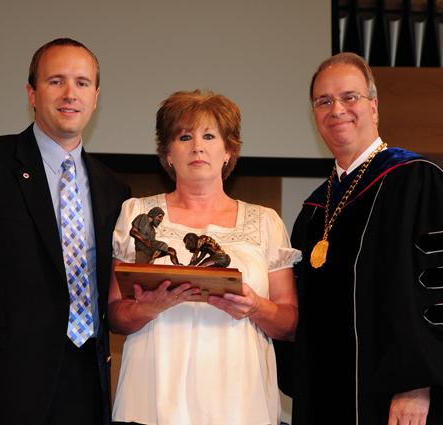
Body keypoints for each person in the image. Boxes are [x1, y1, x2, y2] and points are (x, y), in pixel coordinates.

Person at [284, 52, 443, 425]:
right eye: (323, 101)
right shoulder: (313, 212)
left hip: (407, 401)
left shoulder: (416, 180)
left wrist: (417, 381)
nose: (336, 109)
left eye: (349, 97)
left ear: (374, 107)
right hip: (328, 401)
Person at [0, 38, 130, 425]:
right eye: (56, 81)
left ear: (96, 97)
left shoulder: (114, 190)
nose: (70, 94)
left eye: (82, 83)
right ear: (32, 93)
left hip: (84, 387)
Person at [108, 89, 301, 425]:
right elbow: (115, 315)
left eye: (209, 136)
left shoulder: (266, 221)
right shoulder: (137, 213)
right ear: (168, 153)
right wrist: (148, 307)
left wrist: (255, 306)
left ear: (228, 151)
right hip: (153, 396)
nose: (197, 146)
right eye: (185, 136)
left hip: (240, 399)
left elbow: (289, 323)